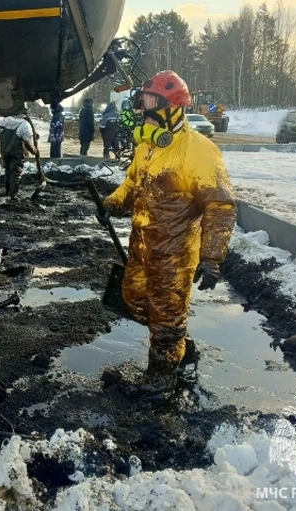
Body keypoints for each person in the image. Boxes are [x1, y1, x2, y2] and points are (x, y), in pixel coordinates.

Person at [99, 70, 237, 394]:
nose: (145, 114)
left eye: (152, 106)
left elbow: (220, 206)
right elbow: (132, 184)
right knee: (134, 298)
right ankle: (181, 348)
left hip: (175, 255)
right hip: (142, 246)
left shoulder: (198, 151)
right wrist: (112, 203)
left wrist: (211, 257)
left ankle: (160, 381)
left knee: (166, 316)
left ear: (175, 108)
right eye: (143, 106)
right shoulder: (147, 147)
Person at [0, 115, 39, 200]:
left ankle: (7, 191)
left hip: (5, 151)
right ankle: (13, 195)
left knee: (8, 170)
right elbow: (27, 143)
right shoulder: (25, 125)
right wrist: (35, 152)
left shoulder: (4, 121)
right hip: (17, 153)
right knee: (15, 173)